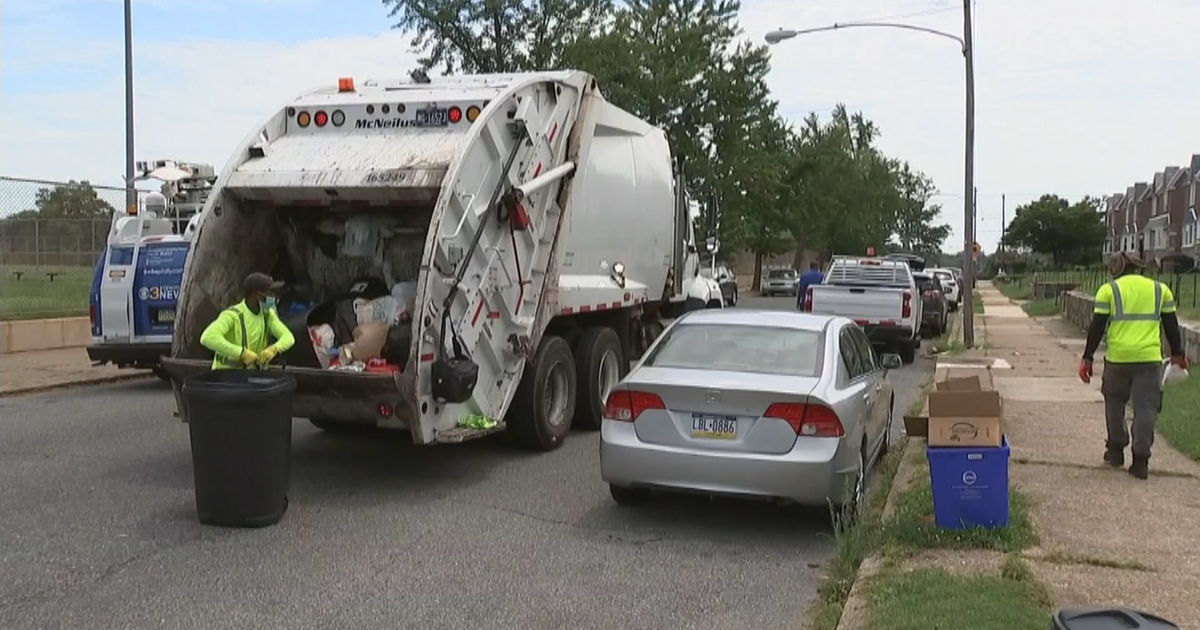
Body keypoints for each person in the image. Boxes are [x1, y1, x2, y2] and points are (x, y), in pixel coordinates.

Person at [1079, 252, 1187, 479]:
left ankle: (1116, 450)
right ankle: (1140, 461)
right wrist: (1178, 354)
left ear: (1116, 269)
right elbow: (1171, 326)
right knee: (1145, 408)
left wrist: (1087, 358)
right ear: (1138, 268)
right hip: (1149, 359)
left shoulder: (1108, 290)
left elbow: (1097, 327)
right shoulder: (1160, 290)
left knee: (1114, 403)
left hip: (1118, 358)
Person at [200, 272, 296, 370]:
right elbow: (207, 338)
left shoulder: (267, 315)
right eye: (270, 292)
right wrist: (242, 353)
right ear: (257, 294)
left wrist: (274, 349)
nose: (273, 296)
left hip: (250, 376)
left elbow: (289, 338)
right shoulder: (232, 315)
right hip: (226, 377)